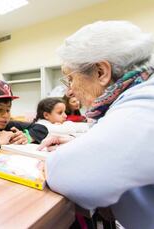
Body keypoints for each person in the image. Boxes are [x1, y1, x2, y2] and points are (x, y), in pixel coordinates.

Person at [40, 21, 154, 228]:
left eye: (70, 79)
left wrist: (52, 163)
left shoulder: (145, 103)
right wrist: (79, 142)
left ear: (101, 72)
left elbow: (70, 175)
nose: (69, 92)